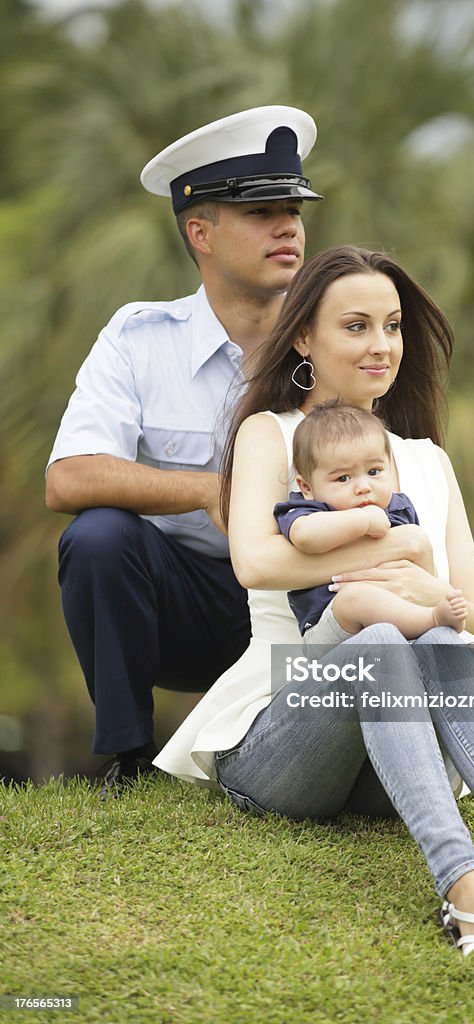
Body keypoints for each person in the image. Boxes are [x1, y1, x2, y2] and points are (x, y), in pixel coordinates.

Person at [155, 246, 474, 969]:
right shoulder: (270, 434)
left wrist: (427, 582)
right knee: (376, 637)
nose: (381, 346)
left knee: (431, 637)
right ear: (304, 338)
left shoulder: (427, 461)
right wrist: (402, 557)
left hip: (394, 762)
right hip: (289, 734)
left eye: (393, 325)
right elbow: (255, 561)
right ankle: (468, 894)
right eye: (356, 326)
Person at [45, 105, 323, 797]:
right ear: (200, 230)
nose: (287, 225)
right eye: (261, 211)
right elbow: (68, 477)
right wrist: (208, 491)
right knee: (99, 536)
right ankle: (128, 759)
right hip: (188, 607)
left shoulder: (336, 337)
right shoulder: (139, 339)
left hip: (310, 605)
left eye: (292, 208)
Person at [275, 401, 468, 645]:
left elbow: (421, 574)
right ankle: (431, 619)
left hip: (400, 618)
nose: (363, 486)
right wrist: (363, 520)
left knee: (441, 640)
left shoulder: (399, 509)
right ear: (307, 487)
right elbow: (305, 536)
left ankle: (428, 621)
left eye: (374, 472)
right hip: (331, 626)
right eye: (343, 478)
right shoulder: (308, 510)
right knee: (356, 596)